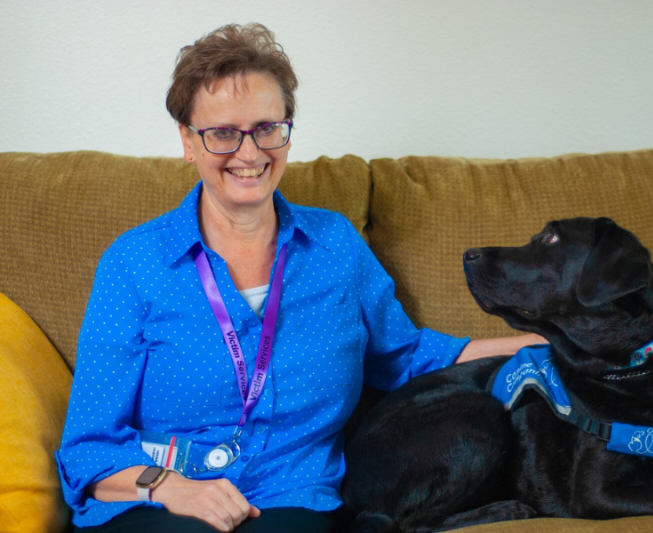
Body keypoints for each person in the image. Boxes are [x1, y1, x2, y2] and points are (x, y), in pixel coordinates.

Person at [56, 23, 545, 533]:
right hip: (158, 502)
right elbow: (88, 447)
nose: (249, 153)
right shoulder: (133, 263)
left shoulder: (335, 246)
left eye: (267, 127)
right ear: (187, 140)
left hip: (290, 497)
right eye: (223, 132)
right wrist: (171, 488)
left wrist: (546, 342)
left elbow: (408, 356)